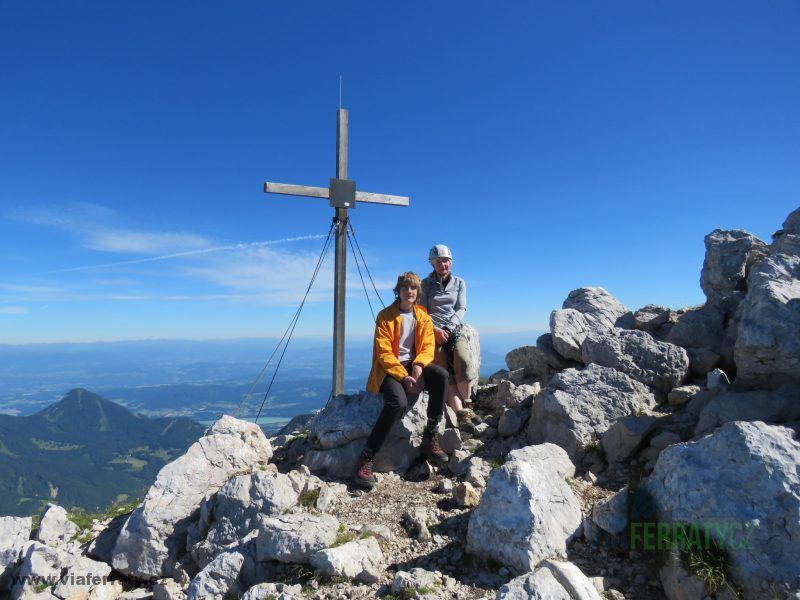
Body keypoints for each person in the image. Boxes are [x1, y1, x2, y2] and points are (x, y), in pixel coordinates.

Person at [354, 272, 450, 490]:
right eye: (405, 288)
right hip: (389, 370)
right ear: (398, 291)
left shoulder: (422, 316)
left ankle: (429, 438)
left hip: (413, 365)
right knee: (398, 402)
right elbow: (384, 353)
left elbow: (427, 346)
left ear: (418, 292)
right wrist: (403, 375)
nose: (409, 291)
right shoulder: (385, 316)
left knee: (442, 376)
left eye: (413, 288)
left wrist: (418, 366)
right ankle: (365, 459)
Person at [420, 244, 475, 419]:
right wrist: (435, 330)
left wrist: (448, 328)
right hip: (432, 331)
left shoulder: (459, 283)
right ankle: (461, 413)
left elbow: (461, 308)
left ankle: (467, 404)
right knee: (443, 368)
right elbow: (422, 312)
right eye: (439, 262)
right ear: (432, 264)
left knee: (463, 359)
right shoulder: (425, 284)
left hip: (453, 328)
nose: (443, 265)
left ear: (450, 262)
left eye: (446, 261)